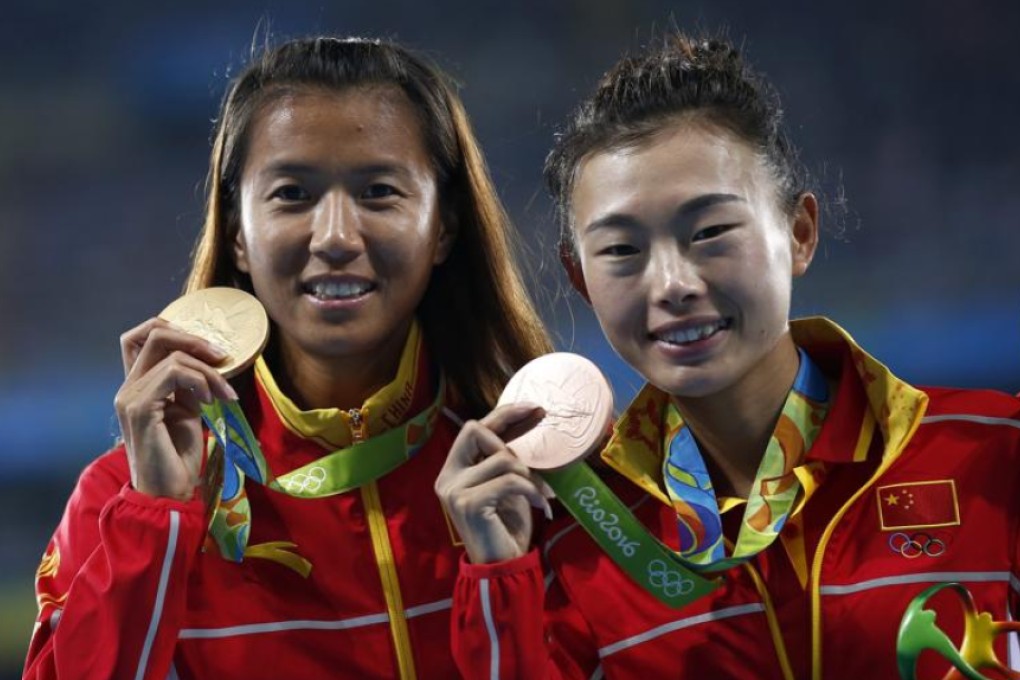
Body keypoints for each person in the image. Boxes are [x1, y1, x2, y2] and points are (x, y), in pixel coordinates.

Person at [436, 33, 1020, 679]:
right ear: (580, 281)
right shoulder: (583, 538)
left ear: (799, 234)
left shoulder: (993, 452)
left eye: (710, 232)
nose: (671, 284)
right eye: (622, 251)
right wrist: (497, 574)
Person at [24, 36, 551, 680]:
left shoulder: (543, 474)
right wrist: (156, 517)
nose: (334, 237)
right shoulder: (123, 498)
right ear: (239, 233)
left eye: (380, 191)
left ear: (443, 226)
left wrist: (505, 582)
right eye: (292, 194)